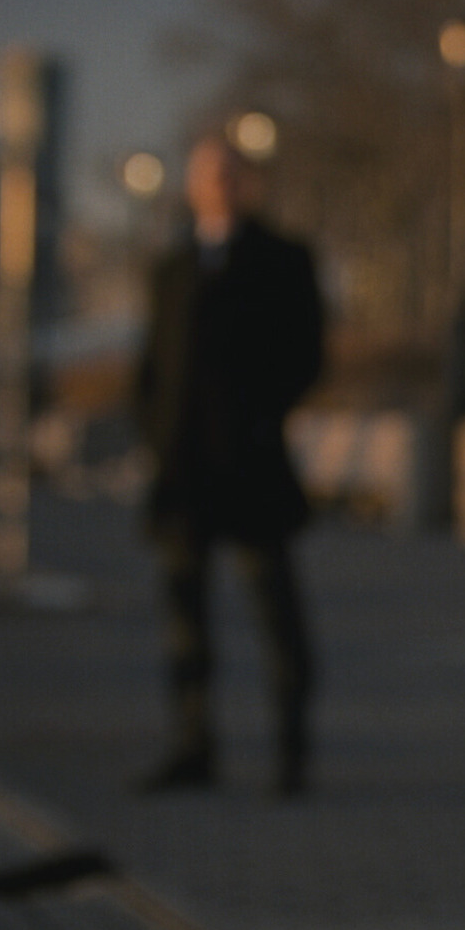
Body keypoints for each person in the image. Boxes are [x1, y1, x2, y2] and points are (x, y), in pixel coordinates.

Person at [133, 132, 324, 797]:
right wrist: (155, 436)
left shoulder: (285, 258)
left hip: (251, 471)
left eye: (229, 173)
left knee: (276, 614)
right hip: (183, 476)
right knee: (185, 620)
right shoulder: (172, 267)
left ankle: (291, 753)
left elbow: (308, 353)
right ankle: (193, 745)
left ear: (248, 182)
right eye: (207, 173)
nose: (218, 183)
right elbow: (153, 364)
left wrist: (260, 417)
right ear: (191, 185)